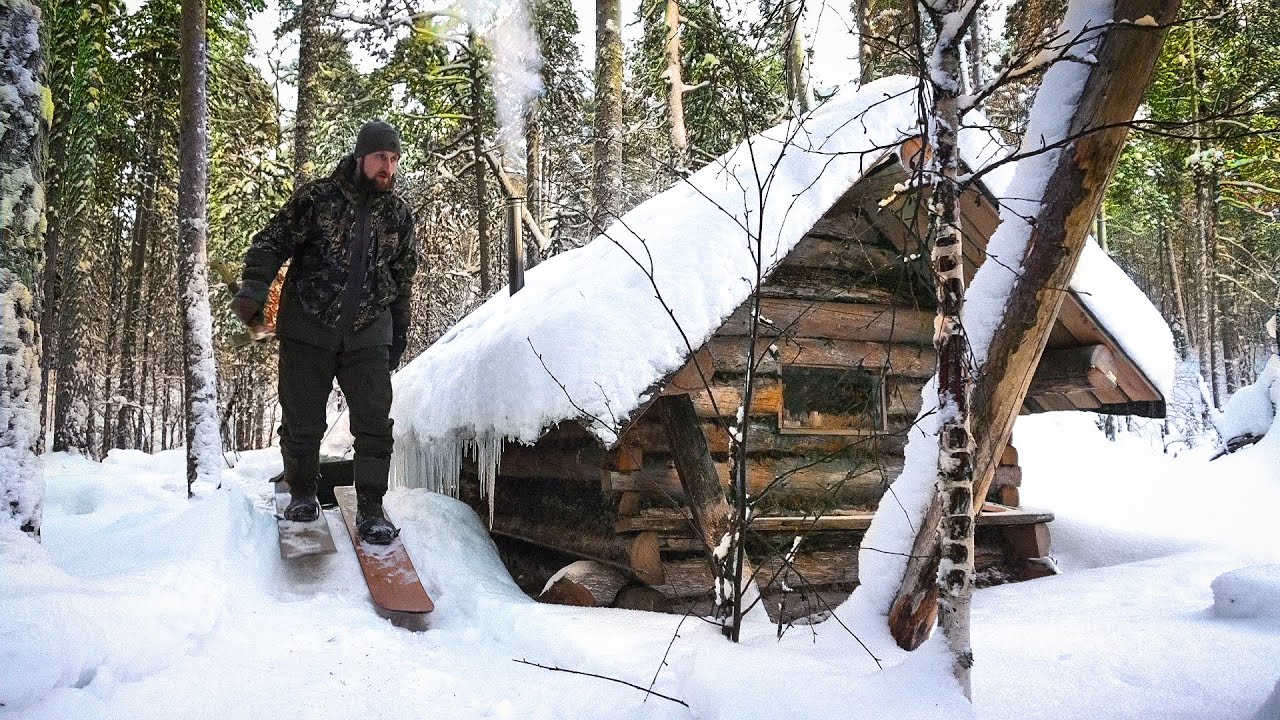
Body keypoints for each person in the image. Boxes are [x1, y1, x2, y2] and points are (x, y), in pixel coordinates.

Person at [232, 120, 417, 545]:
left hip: (370, 331)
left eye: (393, 159)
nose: (388, 167)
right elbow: (271, 243)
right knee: (303, 421)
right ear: (360, 157)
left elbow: (403, 279)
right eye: (380, 158)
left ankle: (372, 507)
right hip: (308, 327)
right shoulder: (317, 199)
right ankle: (301, 491)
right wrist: (254, 288)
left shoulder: (399, 216)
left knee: (373, 425)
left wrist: (398, 335)